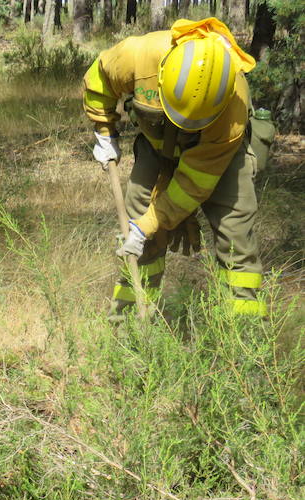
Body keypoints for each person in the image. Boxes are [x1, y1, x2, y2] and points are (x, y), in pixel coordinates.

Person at [84, 17, 267, 318]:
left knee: (237, 243)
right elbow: (99, 81)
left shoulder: (232, 113)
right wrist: (104, 131)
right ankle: (129, 324)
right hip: (157, 148)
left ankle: (244, 338)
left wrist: (148, 225)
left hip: (216, 159)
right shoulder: (139, 55)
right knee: (139, 237)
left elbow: (195, 183)